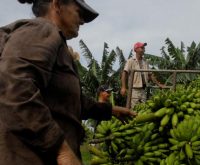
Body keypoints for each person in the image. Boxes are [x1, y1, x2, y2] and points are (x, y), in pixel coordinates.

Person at [0, 0, 136, 165]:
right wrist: (61, 150)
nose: (83, 21)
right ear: (56, 5)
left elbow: (66, 101)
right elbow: (14, 87)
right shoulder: (42, 30)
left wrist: (110, 110)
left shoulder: (56, 43)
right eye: (79, 12)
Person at [121, 42, 165, 108]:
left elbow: (150, 75)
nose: (144, 49)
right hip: (134, 89)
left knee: (143, 108)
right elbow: (125, 73)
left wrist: (158, 84)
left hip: (143, 89)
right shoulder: (131, 61)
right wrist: (123, 87)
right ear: (136, 49)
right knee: (134, 108)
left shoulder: (145, 61)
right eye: (142, 48)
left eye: (144, 48)